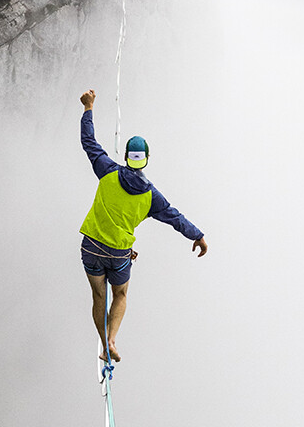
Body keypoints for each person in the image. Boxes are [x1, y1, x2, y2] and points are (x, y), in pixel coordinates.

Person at [77, 89, 208, 363]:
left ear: (126, 156)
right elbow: (175, 217)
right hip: (118, 253)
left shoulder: (107, 170)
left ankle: (103, 345)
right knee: (120, 294)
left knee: (98, 294)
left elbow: (89, 142)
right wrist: (197, 236)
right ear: (146, 159)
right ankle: (112, 339)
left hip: (91, 246)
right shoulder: (151, 197)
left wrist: (89, 107)